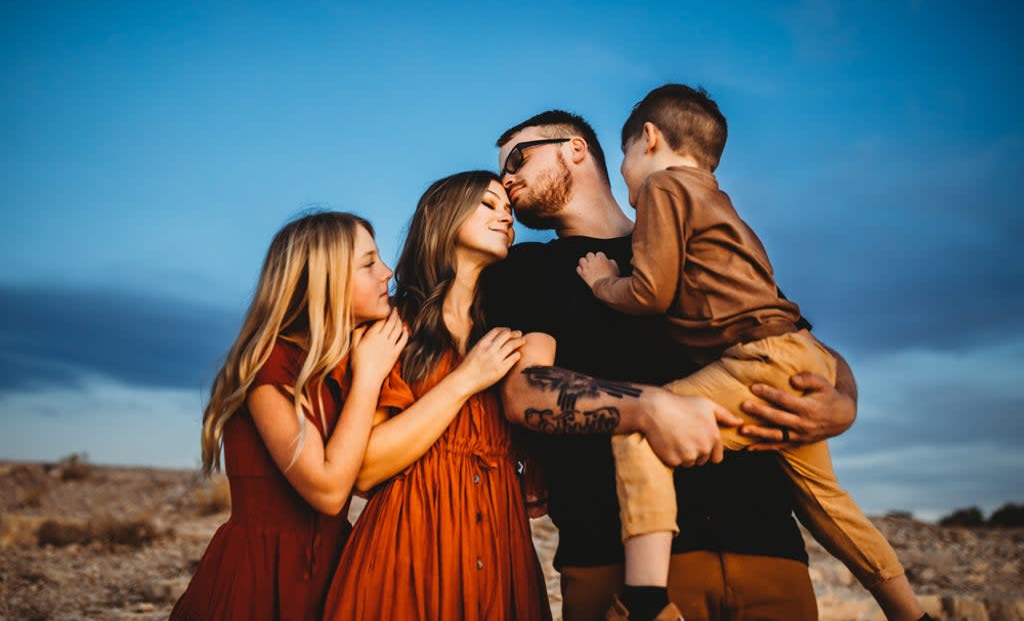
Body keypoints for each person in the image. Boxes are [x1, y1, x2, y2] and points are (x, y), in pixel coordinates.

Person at [484, 109, 861, 621]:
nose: (506, 179)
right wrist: (651, 407)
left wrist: (844, 403)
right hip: (616, 566)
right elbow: (525, 392)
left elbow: (794, 340)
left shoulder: (695, 236)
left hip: (768, 550)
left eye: (518, 158)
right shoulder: (528, 271)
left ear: (575, 149)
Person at [574, 84, 927, 621]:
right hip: (798, 354)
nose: (624, 173)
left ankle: (646, 600)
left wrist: (604, 283)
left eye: (622, 156)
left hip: (756, 359)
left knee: (640, 428)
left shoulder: (664, 188)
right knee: (823, 499)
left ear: (649, 140)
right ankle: (910, 613)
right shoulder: (722, 207)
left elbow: (651, 292)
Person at [323, 171, 552, 620]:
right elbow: (366, 470)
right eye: (488, 204)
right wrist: (467, 379)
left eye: (508, 210)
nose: (505, 216)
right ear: (441, 217)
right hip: (411, 549)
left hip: (501, 549)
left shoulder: (506, 330)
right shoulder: (393, 327)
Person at [171, 211, 408, 621]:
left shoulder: (336, 366)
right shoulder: (270, 365)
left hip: (332, 570)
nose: (387, 272)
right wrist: (370, 376)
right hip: (261, 580)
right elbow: (329, 491)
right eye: (368, 263)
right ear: (323, 281)